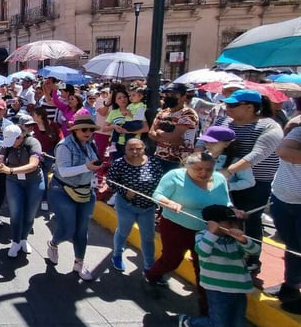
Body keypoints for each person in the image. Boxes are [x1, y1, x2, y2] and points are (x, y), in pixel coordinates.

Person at [144, 152, 237, 315]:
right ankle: (152, 275)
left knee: (203, 267)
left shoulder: (220, 179)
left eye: (208, 169)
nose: (204, 173)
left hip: (208, 231)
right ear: (187, 166)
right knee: (171, 260)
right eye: (198, 169)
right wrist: (169, 202)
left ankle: (207, 308)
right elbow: (157, 195)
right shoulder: (175, 176)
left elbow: (226, 202)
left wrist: (234, 211)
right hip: (176, 227)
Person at [203, 89, 282, 274]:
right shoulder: (223, 121)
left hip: (255, 184)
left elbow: (257, 155)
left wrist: (227, 172)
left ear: (249, 107)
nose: (227, 108)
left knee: (250, 220)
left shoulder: (270, 127)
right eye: (227, 104)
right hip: (221, 180)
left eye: (232, 105)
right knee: (222, 216)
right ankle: (222, 252)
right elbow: (207, 141)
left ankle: (252, 259)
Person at [177, 205, 260, 327]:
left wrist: (242, 239)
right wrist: (213, 232)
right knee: (218, 324)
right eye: (228, 223)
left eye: (234, 223)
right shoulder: (203, 236)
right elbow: (202, 251)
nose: (234, 226)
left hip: (239, 289)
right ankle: (189, 323)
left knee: (235, 326)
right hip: (216, 289)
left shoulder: (236, 241)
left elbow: (255, 250)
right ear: (213, 224)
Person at [46, 114, 104, 281]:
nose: (88, 133)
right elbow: (64, 171)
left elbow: (92, 165)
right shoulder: (64, 146)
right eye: (84, 129)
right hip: (62, 190)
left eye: (91, 130)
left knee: (82, 229)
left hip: (85, 190)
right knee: (68, 228)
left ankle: (79, 263)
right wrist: (87, 167)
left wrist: (94, 169)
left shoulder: (90, 144)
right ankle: (53, 243)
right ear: (76, 130)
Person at [106, 138, 164, 273]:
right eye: (131, 149)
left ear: (144, 149)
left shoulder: (153, 162)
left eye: (138, 148)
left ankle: (149, 266)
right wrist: (124, 191)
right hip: (126, 205)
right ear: (125, 150)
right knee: (123, 231)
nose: (135, 152)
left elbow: (161, 180)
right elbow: (110, 181)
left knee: (148, 237)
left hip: (147, 207)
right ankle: (117, 255)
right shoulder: (120, 163)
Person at [0, 117, 44, 257]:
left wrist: (9, 170)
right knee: (15, 213)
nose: (11, 145)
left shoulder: (33, 143)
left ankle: (23, 239)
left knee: (30, 214)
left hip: (34, 181)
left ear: (20, 137)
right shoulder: (7, 145)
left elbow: (33, 165)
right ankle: (15, 241)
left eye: (13, 141)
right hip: (14, 182)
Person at [269, 124, 301, 314]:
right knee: (292, 246)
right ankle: (291, 284)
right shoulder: (298, 130)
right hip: (282, 199)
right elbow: (283, 150)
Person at [148, 83, 199, 173]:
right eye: (167, 94)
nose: (169, 97)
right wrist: (167, 136)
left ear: (183, 97)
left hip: (179, 161)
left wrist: (159, 131)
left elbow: (173, 138)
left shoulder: (188, 114)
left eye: (174, 95)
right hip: (159, 157)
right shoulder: (162, 113)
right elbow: (151, 134)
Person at [199, 126, 255, 191]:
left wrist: (227, 186)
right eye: (206, 141)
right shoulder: (199, 157)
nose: (208, 145)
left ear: (227, 144)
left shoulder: (236, 162)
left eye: (213, 142)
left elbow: (249, 182)